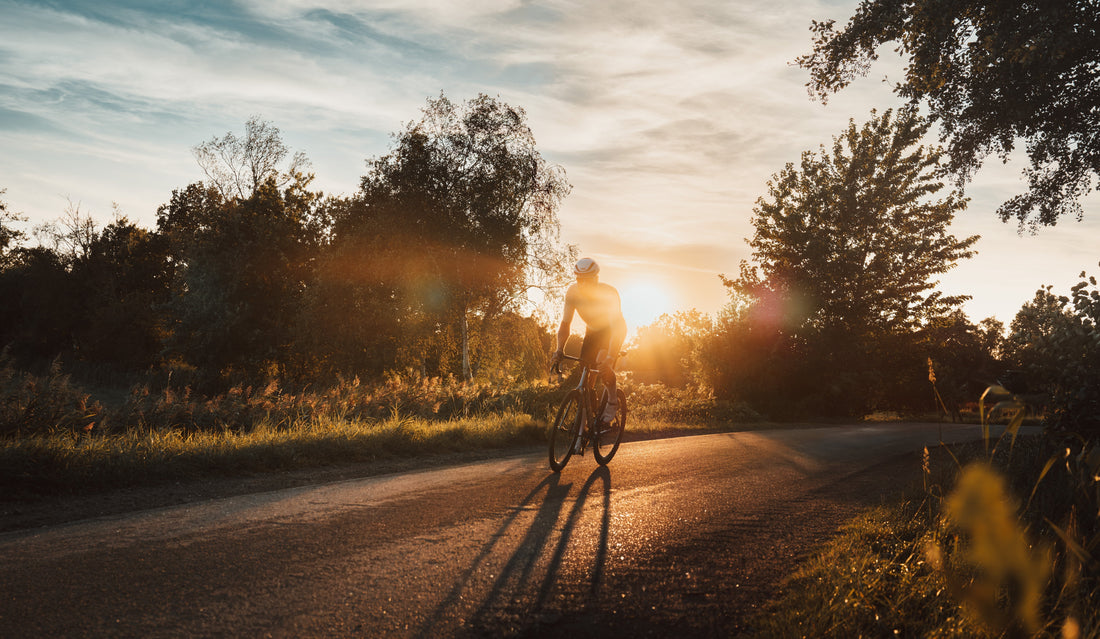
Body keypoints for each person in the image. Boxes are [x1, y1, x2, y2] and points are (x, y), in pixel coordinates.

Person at [550, 257, 628, 428]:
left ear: (596, 279)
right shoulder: (573, 292)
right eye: (579, 280)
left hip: (612, 330)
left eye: (587, 280)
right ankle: (585, 420)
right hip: (592, 331)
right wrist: (559, 349)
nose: (583, 284)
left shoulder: (609, 293)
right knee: (586, 376)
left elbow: (616, 328)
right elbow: (565, 324)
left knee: (602, 363)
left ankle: (613, 401)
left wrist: (609, 357)